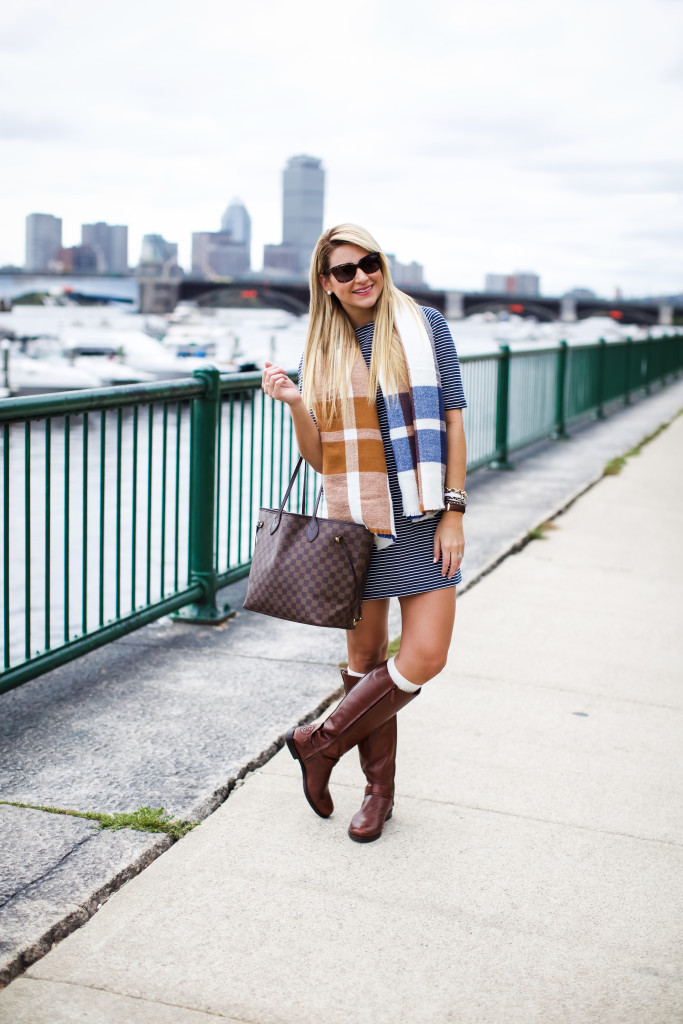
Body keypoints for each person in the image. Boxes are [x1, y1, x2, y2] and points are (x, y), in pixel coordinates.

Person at [261, 224, 467, 842]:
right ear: (325, 284)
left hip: (427, 518)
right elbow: (323, 461)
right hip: (358, 529)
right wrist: (297, 403)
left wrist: (454, 509)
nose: (361, 278)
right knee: (364, 661)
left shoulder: (426, 328)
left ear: (382, 262)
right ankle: (378, 795)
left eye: (368, 263)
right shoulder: (321, 353)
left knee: (425, 657)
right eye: (344, 271)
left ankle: (320, 744)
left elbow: (454, 423)